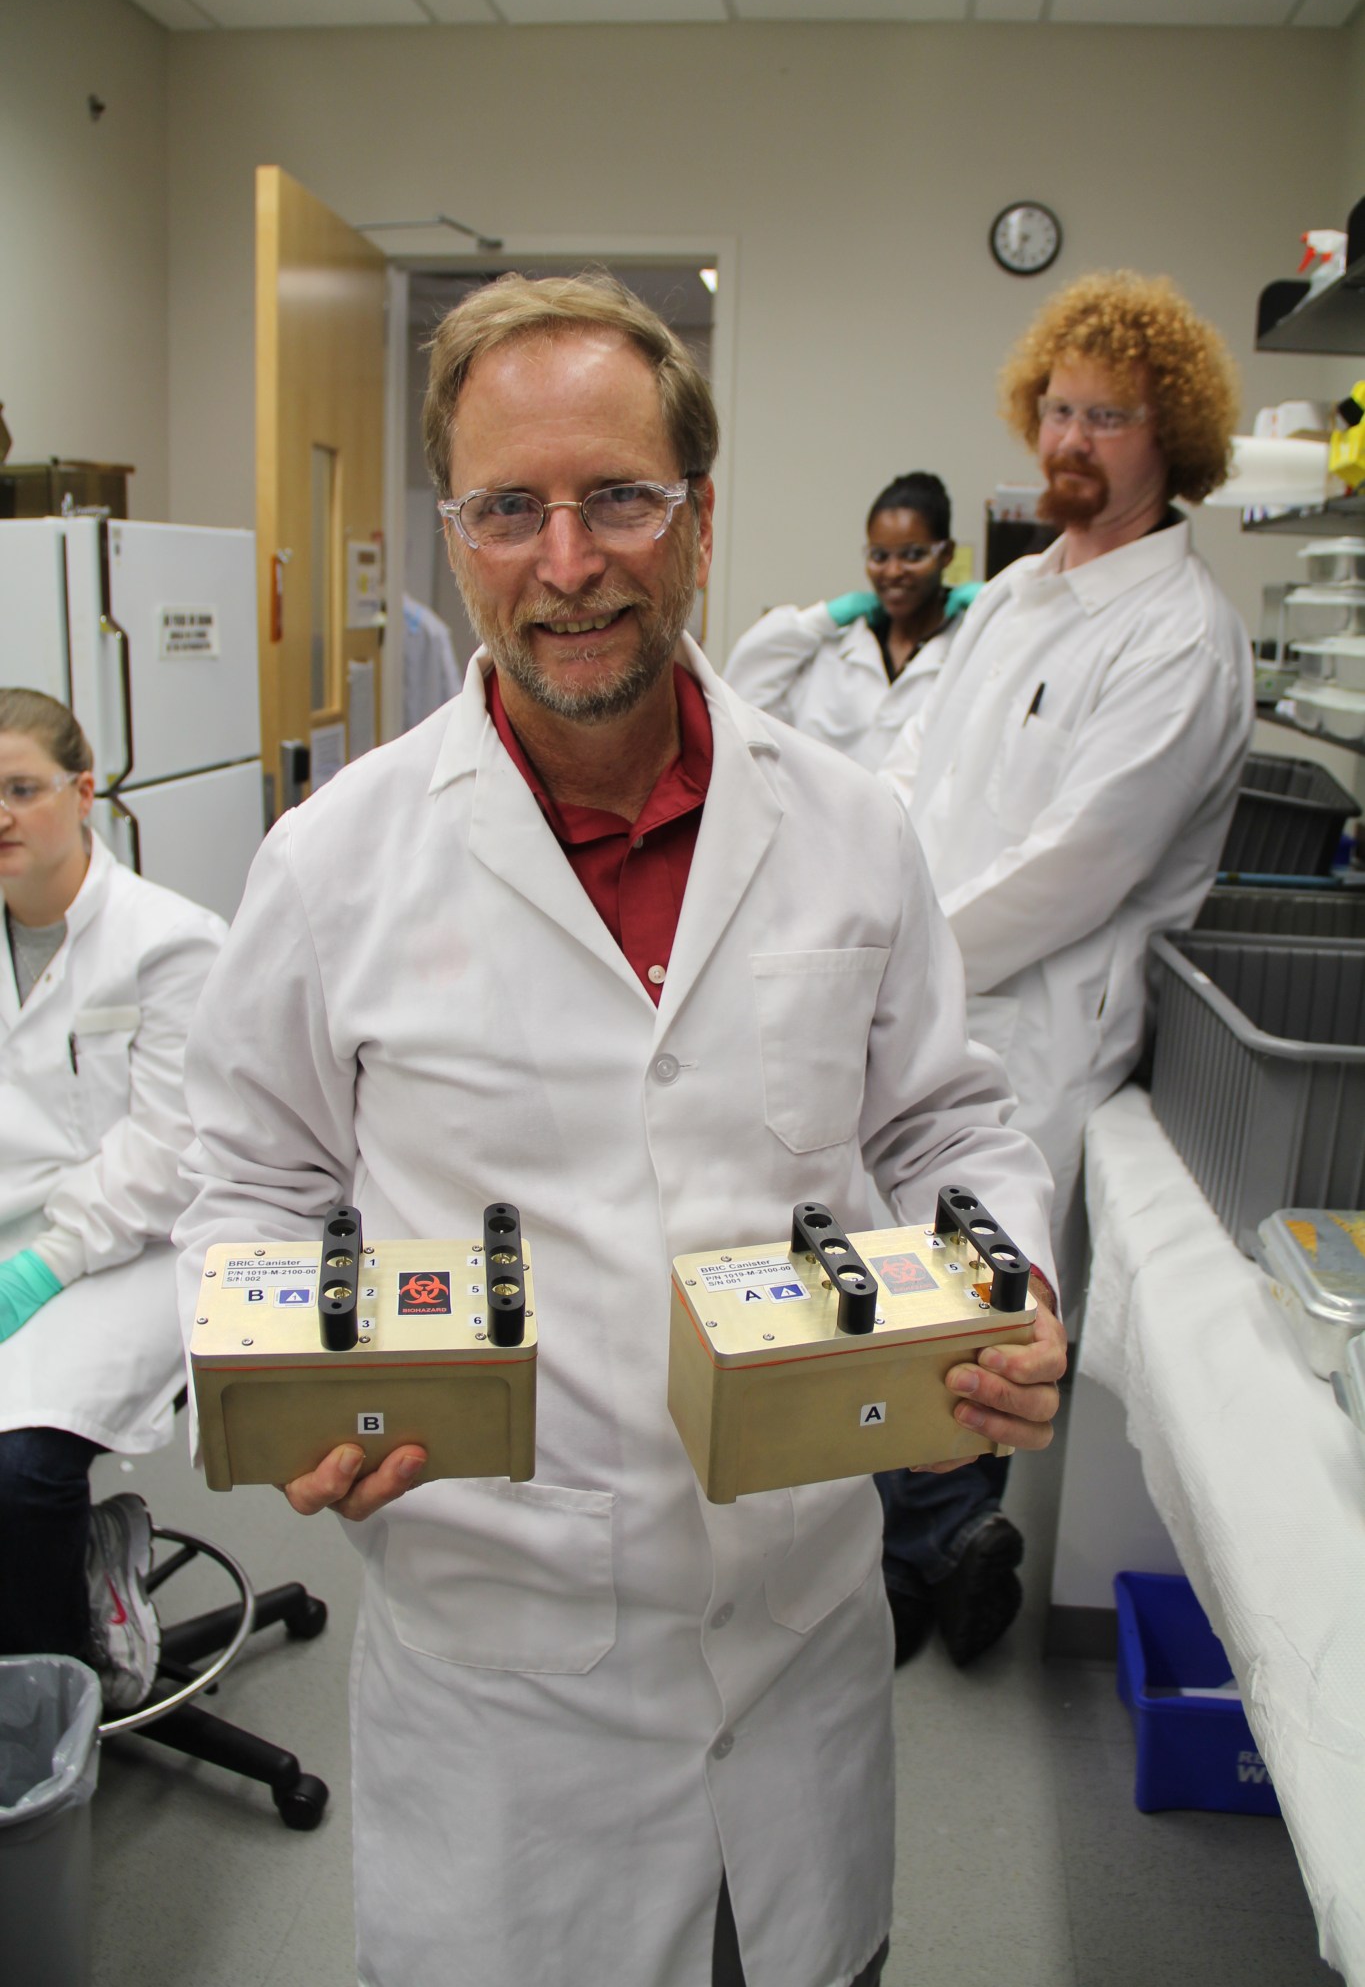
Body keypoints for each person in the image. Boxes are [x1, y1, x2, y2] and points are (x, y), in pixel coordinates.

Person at [174, 272, 1066, 1987]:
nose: (566, 561)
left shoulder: (853, 832)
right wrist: (284, 1371)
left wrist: (1003, 1278)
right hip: (507, 1709)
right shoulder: (335, 863)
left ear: (704, 520)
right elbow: (255, 1183)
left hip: (800, 1646)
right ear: (455, 536)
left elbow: (952, 1114)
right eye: (511, 507)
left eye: (620, 499)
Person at [875, 272, 1255, 1670]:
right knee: (890, 1259)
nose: (1070, 437)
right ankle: (911, 1526)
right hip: (924, 984)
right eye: (1057, 404)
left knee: (974, 1282)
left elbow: (1078, 862)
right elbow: (918, 761)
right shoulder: (1022, 587)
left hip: (1032, 1015)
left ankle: (941, 1544)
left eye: (1109, 414)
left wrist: (905, 953)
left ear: (1176, 442)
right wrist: (870, 897)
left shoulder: (1182, 637)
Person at [0, 689, 224, 1708]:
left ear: (84, 792)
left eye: (22, 789)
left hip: (139, 1248)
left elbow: (174, 1148)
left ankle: (59, 1711)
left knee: (17, 1466)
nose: (1, 813)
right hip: (19, 1238)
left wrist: (42, 1266)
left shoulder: (169, 940)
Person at [723, 471, 979, 768]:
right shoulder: (839, 649)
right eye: (879, 556)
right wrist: (817, 619)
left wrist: (1002, 609)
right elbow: (744, 692)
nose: (893, 571)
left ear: (946, 554)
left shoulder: (969, 646)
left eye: (912, 555)